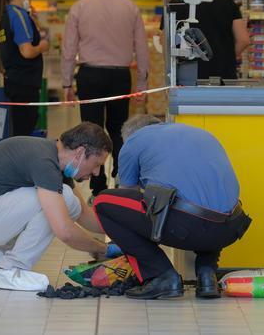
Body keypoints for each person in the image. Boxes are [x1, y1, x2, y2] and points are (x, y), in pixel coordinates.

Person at [92, 115, 252, 299]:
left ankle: (161, 276)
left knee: (104, 203)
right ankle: (207, 274)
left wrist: (124, 243)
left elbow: (129, 196)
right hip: (231, 228)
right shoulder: (199, 134)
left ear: (129, 136)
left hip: (189, 227)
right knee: (207, 202)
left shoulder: (134, 141)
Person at [0, 122, 112, 291]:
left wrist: (124, 233)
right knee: (59, 200)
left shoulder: (54, 159)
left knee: (67, 200)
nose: (97, 173)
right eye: (97, 164)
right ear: (80, 152)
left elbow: (83, 215)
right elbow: (64, 231)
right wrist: (104, 248)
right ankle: (10, 269)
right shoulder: (44, 162)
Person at [62, 0, 150, 196]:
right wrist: (142, 83)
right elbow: (141, 48)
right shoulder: (129, 7)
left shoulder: (79, 8)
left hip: (89, 75)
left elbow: (69, 48)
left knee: (91, 130)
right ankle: (124, 181)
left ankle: (97, 188)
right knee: (119, 129)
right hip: (120, 76)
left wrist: (67, 82)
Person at [163, 0, 250, 80]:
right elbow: (244, 39)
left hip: (187, 79)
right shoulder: (226, 0)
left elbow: (166, 44)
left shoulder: (174, 5)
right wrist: (226, 59)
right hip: (223, 78)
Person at [0, 0, 50, 136]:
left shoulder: (7, 14)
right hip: (24, 84)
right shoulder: (18, 15)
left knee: (18, 129)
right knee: (23, 132)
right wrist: (43, 46)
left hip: (15, 82)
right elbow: (26, 51)